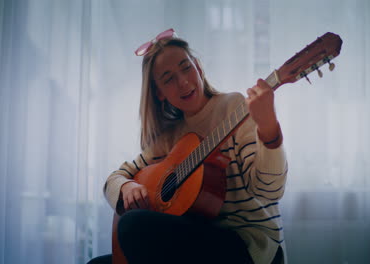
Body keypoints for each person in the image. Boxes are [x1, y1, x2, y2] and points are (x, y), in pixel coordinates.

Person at [100, 28, 288, 264]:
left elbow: (269, 190)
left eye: (186, 67)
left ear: (198, 67)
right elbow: (113, 179)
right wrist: (126, 187)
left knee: (132, 225)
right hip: (197, 240)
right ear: (159, 93)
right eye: (169, 79)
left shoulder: (234, 107)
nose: (184, 82)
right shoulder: (169, 138)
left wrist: (268, 130)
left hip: (248, 245)